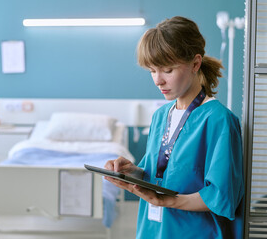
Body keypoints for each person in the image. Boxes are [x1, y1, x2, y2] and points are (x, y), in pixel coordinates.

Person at [104, 16, 244, 239]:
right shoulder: (161, 116)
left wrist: (169, 200)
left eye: (167, 70)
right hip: (153, 230)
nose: (158, 80)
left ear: (195, 64)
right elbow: (160, 174)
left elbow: (221, 195)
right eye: (152, 70)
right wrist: (133, 172)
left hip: (194, 232)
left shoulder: (219, 120)